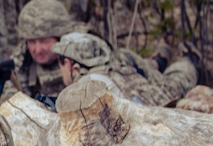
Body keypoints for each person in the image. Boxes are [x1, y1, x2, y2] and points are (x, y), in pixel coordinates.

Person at [52, 32, 199, 106]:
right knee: (176, 76)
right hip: (161, 95)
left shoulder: (83, 87)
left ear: (68, 63)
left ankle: (188, 57)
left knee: (182, 74)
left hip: (157, 109)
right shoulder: (111, 65)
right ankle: (166, 58)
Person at [12, 0, 82, 100]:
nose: (38, 50)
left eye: (45, 41)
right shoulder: (22, 58)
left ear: (60, 39)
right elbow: (13, 97)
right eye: (32, 42)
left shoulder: (82, 53)